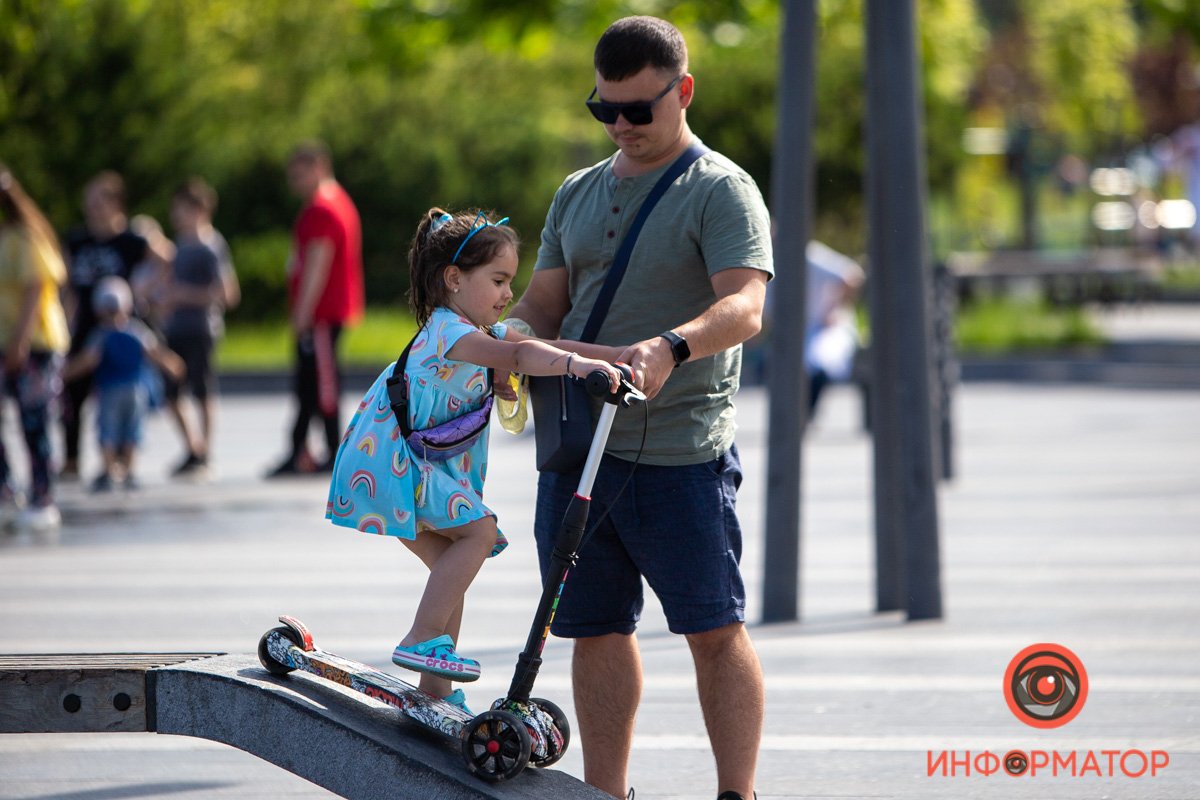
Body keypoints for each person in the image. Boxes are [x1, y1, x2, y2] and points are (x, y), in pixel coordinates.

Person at [505, 16, 772, 800]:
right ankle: (605, 792)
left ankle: (736, 793)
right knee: (592, 629)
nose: (621, 126)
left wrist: (673, 347)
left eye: (638, 110)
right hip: (577, 447)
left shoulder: (720, 189)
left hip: (678, 457)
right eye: (604, 110)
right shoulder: (578, 192)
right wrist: (506, 344)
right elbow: (543, 305)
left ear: (682, 92)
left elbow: (747, 306)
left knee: (713, 632)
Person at [324, 208, 620, 713]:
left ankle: (432, 691)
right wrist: (576, 367)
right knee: (478, 534)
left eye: (511, 282)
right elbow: (527, 358)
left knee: (451, 565)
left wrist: (619, 355)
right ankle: (420, 637)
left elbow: (537, 344)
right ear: (454, 279)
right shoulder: (448, 333)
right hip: (396, 469)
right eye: (499, 280)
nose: (508, 294)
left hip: (404, 469)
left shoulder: (474, 330)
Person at [62, 171, 169, 480]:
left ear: (116, 203)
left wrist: (146, 291)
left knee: (123, 391)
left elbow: (167, 261)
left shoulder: (131, 240)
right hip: (86, 324)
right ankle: (71, 458)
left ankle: (121, 460)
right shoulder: (77, 239)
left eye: (99, 200)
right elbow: (66, 282)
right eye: (89, 201)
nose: (92, 207)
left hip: (121, 326)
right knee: (73, 389)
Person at [267, 142, 364, 477]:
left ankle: (333, 450)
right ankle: (300, 449)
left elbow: (317, 265)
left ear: (319, 167)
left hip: (323, 313)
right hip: (324, 312)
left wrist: (302, 314)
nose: (294, 181)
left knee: (323, 383)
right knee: (310, 382)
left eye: (300, 173)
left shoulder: (322, 208)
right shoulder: (335, 202)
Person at [63, 276, 184, 492]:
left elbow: (89, 360)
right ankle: (128, 471)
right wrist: (171, 364)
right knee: (132, 430)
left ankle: (110, 471)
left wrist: (65, 373)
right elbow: (154, 352)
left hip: (109, 390)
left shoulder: (101, 335)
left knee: (108, 430)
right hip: (136, 390)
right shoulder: (136, 331)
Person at [0, 166, 71, 532]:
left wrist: (20, 342)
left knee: (34, 420)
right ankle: (6, 488)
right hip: (3, 340)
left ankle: (43, 496)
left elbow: (34, 290)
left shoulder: (27, 236)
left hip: (35, 343)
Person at [164, 177, 238, 477]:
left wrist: (186, 295)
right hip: (175, 327)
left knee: (202, 389)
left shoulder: (212, 246)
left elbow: (228, 293)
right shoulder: (179, 245)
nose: (175, 215)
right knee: (171, 392)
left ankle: (205, 450)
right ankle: (192, 447)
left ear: (198, 209)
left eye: (180, 208)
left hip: (201, 329)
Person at [803, 241, 864, 417]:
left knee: (817, 362)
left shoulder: (809, 255)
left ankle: (806, 414)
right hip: (806, 329)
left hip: (829, 327)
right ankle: (800, 415)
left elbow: (852, 275)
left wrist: (835, 307)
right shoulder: (765, 260)